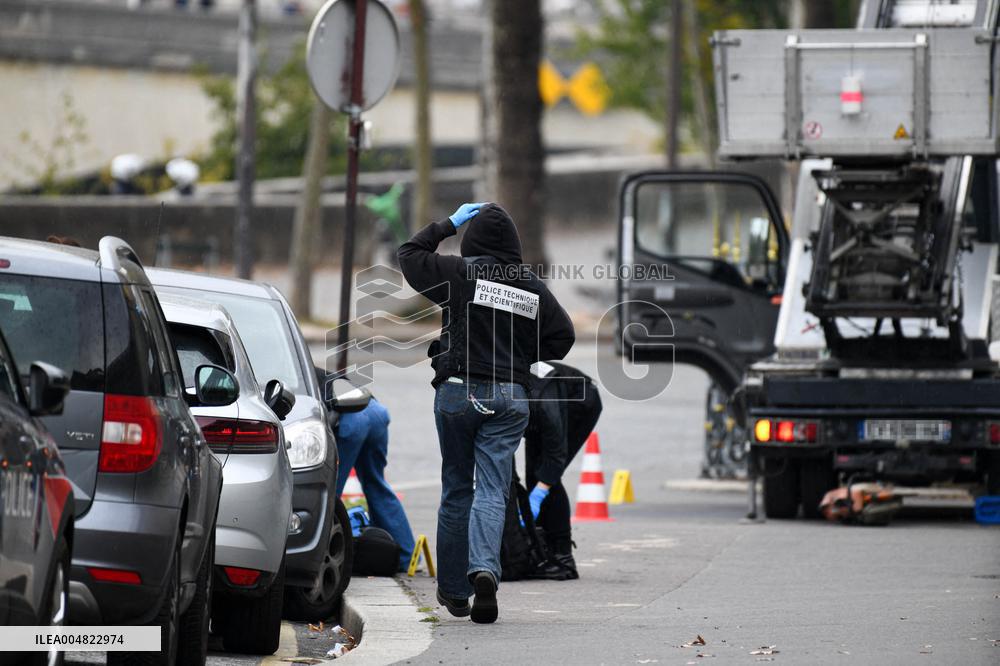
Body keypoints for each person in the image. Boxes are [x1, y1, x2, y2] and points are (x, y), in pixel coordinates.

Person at [398, 202, 575, 624]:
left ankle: (455, 591)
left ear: (471, 240)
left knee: (457, 486)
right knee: (493, 487)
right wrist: (519, 358)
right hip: (510, 397)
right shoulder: (529, 285)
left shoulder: (458, 274)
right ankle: (485, 572)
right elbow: (562, 336)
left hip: (458, 393)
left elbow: (408, 255)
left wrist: (448, 224)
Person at [523, 361, 603, 579]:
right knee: (533, 475)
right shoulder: (507, 391)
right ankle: (541, 549)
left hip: (580, 401)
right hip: (541, 403)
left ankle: (563, 559)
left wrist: (537, 495)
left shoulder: (544, 403)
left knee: (547, 477)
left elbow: (556, 455)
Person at [331, 391, 416, 573]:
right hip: (375, 410)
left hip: (348, 419)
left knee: (327, 494)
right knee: (376, 485)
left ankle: (322, 557)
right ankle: (406, 557)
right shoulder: (318, 372)